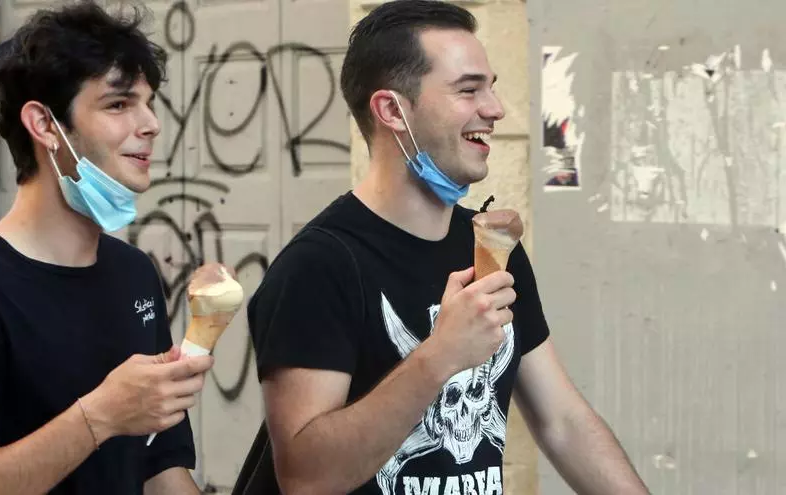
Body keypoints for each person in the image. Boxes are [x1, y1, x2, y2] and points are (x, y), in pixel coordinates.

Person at [246, 1, 650, 494]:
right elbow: (307, 479)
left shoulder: (491, 249)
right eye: (468, 90)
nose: (495, 109)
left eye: (491, 87)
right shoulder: (318, 266)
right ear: (392, 110)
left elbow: (562, 422)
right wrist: (439, 356)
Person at [0, 3, 211, 494]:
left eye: (148, 102)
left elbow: (160, 467)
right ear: (45, 125)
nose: (151, 123)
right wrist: (99, 416)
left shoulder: (134, 274)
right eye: (118, 104)